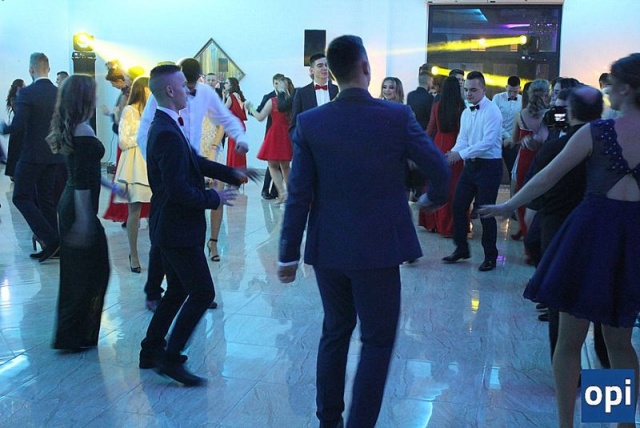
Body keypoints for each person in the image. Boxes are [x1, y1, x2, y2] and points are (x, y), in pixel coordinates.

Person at [278, 35, 450, 428]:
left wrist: (287, 253)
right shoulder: (395, 117)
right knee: (376, 340)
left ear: (333, 73)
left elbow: (298, 194)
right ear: (366, 68)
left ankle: (329, 421)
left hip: (329, 248)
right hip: (378, 248)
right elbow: (438, 167)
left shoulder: (310, 122)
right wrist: (432, 199)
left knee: (335, 331)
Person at [479, 53, 640, 427]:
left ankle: (567, 424)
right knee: (617, 343)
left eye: (612, 85)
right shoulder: (597, 130)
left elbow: (545, 177)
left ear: (625, 88)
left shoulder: (597, 132)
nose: (607, 92)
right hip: (631, 239)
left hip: (590, 236)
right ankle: (619, 422)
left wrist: (509, 206)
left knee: (569, 341)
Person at [138, 64, 255, 386]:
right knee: (202, 293)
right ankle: (170, 358)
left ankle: (150, 351)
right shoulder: (165, 132)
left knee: (177, 290)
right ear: (170, 90)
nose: (190, 90)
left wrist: (232, 173)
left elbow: (195, 162)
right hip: (177, 228)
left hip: (171, 226)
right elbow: (178, 190)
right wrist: (214, 198)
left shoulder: (168, 124)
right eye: (183, 86)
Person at [46, 75, 111, 351]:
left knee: (80, 273)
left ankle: (74, 334)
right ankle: (75, 335)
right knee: (93, 272)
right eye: (93, 93)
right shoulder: (83, 130)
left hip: (71, 204)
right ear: (84, 98)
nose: (96, 98)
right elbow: (82, 181)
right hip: (78, 208)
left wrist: (110, 186)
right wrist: (85, 222)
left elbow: (85, 171)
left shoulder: (74, 126)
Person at [1, 53, 65, 262]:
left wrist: (4, 128)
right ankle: (53, 247)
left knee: (21, 197)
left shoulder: (27, 93)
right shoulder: (59, 92)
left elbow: (19, 125)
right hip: (54, 155)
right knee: (46, 199)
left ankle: (51, 239)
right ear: (48, 68)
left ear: (31, 70)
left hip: (32, 155)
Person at [442, 71, 503, 271]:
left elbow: (487, 143)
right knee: (458, 205)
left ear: (483, 89)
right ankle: (461, 249)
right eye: (466, 89)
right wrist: (453, 153)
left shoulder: (492, 111)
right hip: (471, 166)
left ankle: (491, 256)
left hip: (489, 166)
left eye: (473, 90)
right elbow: (463, 139)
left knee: (485, 212)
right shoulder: (466, 112)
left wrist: (460, 155)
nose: (468, 93)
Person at [113, 76, 152, 273]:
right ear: (142, 90)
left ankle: (158, 251)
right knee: (134, 211)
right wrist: (144, 135)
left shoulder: (153, 111)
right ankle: (134, 254)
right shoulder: (129, 110)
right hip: (135, 162)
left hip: (151, 161)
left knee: (156, 211)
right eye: (149, 89)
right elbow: (123, 141)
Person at [419, 76, 466, 237]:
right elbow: (463, 131)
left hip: (438, 144)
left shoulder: (437, 106)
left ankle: (432, 223)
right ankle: (448, 226)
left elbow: (430, 129)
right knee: (453, 187)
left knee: (435, 183)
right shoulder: (461, 107)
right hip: (455, 146)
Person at [510, 79, 550, 242]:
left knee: (521, 193)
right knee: (542, 193)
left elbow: (514, 139)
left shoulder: (521, 114)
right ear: (546, 94)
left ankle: (524, 228)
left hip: (525, 158)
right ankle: (535, 230)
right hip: (544, 158)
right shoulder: (550, 114)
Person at [246, 75, 294, 205]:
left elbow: (260, 117)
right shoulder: (293, 98)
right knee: (285, 166)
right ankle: (290, 194)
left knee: (273, 166)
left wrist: (250, 108)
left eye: (277, 83)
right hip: (287, 134)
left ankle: (282, 193)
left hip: (275, 134)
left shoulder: (273, 100)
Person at [254, 74, 284, 201]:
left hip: (285, 133)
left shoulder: (289, 96)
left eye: (281, 82)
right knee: (272, 163)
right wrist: (251, 110)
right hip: (272, 133)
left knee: (282, 163)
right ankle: (266, 189)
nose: (279, 85)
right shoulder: (269, 97)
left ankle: (276, 191)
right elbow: (259, 111)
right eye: (276, 83)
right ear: (273, 83)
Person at [290, 53, 339, 129]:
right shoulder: (302, 93)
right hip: (310, 135)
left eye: (326, 65)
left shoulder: (338, 90)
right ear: (311, 70)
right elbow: (294, 124)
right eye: (320, 65)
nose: (324, 68)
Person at [492, 75, 522, 178]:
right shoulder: (497, 98)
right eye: (510, 91)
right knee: (494, 170)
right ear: (506, 87)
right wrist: (508, 137)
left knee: (512, 170)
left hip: (513, 142)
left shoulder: (522, 100)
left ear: (519, 89)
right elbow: (494, 120)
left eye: (515, 92)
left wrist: (512, 139)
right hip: (497, 139)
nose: (512, 94)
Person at [223, 77, 247, 168]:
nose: (225, 85)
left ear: (231, 85)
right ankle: (240, 171)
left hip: (234, 125)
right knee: (240, 151)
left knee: (233, 150)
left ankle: (233, 171)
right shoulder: (240, 96)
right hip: (241, 124)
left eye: (226, 83)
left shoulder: (231, 97)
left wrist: (223, 97)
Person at [4, 79, 25, 179]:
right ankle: (14, 173)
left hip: (17, 129)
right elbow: (19, 112)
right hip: (18, 130)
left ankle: (14, 172)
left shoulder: (15, 99)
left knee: (16, 151)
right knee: (16, 151)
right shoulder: (16, 99)